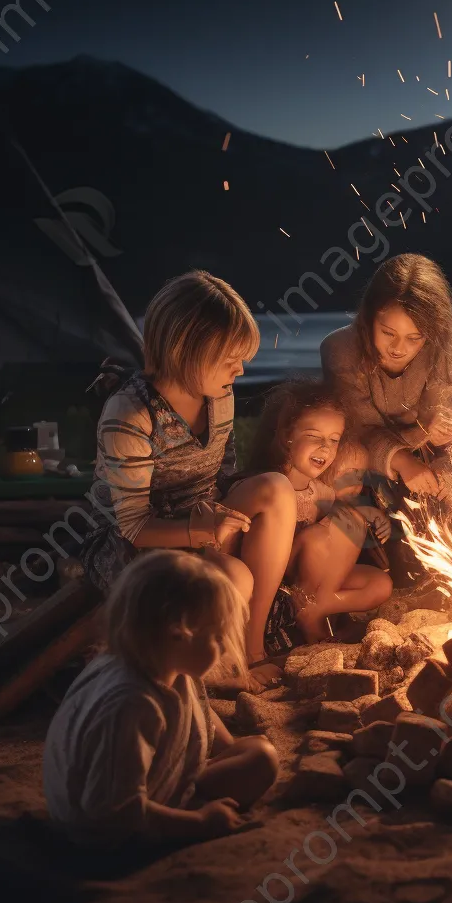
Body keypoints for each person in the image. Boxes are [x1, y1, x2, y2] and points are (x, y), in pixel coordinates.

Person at [82, 270, 298, 690]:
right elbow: (132, 526)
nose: (241, 367)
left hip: (201, 510)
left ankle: (251, 652)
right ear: (186, 351)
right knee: (234, 577)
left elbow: (224, 472)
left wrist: (224, 515)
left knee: (278, 490)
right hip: (131, 542)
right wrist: (201, 531)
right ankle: (217, 671)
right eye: (229, 358)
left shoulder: (220, 395)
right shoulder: (131, 415)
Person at [43, 550, 279, 846]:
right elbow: (112, 810)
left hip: (152, 781)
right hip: (103, 827)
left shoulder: (166, 661)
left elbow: (199, 712)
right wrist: (201, 822)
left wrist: (230, 752)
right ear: (178, 632)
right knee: (255, 764)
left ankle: (179, 800)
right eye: (217, 636)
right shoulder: (131, 703)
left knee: (259, 756)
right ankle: (173, 819)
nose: (223, 647)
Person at [238, 378, 393, 646]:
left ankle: (316, 608)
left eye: (334, 440)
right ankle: (310, 620)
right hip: (278, 581)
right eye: (314, 436)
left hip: (310, 583)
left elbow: (346, 521)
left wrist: (373, 516)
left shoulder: (319, 491)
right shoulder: (266, 485)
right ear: (287, 435)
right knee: (319, 538)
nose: (325, 447)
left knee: (380, 583)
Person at [320, 253, 452, 516]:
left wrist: (446, 464)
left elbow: (449, 425)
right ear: (369, 318)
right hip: (359, 460)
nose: (398, 348)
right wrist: (404, 457)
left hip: (422, 459)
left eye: (414, 338)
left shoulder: (443, 351)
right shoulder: (341, 349)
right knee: (349, 465)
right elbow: (360, 428)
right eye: (388, 333)